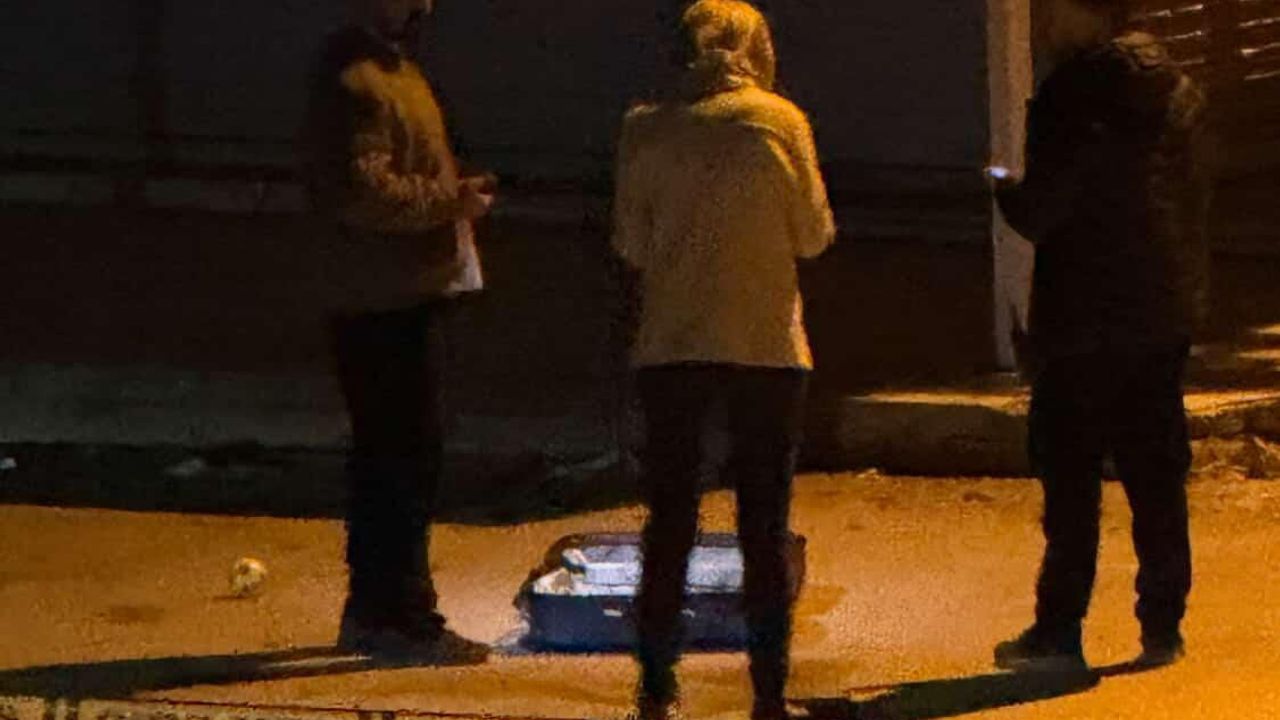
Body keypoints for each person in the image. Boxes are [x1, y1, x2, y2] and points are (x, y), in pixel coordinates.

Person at [611, 1, 836, 717]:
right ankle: (768, 692)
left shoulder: (645, 127)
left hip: (672, 344)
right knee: (763, 526)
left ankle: (656, 688)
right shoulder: (779, 122)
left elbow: (630, 244)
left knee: (670, 520)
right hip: (766, 345)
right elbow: (813, 234)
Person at [991, 0, 1212, 672]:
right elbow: (1194, 196)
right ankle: (1163, 626)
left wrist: (1004, 189)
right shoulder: (1178, 89)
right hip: (1159, 309)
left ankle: (1059, 631)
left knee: (1072, 479)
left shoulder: (1072, 94)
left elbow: (1044, 209)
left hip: (1082, 314)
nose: (1044, 23)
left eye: (1055, 10)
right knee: (1156, 474)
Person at [301, 0, 494, 660]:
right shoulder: (359, 81)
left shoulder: (388, 71)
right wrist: (451, 202)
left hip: (398, 292)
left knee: (396, 458)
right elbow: (365, 193)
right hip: (382, 298)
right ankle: (401, 618)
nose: (424, 6)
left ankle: (380, 611)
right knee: (400, 461)